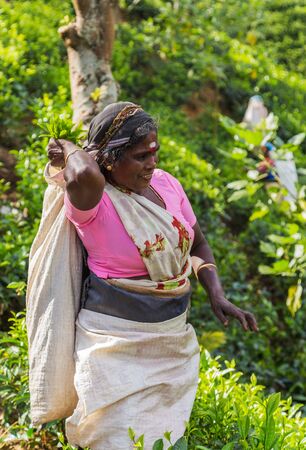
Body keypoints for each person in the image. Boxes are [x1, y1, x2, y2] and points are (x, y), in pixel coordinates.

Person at [47, 101, 258, 450]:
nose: (153, 163)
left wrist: (216, 293)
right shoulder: (94, 202)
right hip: (113, 346)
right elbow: (84, 172)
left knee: (166, 440)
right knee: (114, 440)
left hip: (169, 339)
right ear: (110, 159)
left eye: (154, 152)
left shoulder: (166, 185)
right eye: (142, 156)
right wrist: (69, 147)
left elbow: (198, 244)